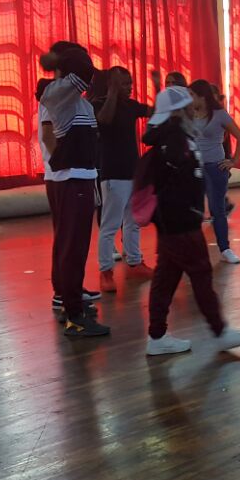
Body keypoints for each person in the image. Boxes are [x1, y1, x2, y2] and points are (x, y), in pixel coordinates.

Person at [142, 86, 240, 356]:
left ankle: (157, 336)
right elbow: (175, 186)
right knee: (201, 274)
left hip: (177, 222)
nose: (193, 110)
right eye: (188, 107)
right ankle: (219, 331)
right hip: (180, 223)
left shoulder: (177, 138)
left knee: (166, 278)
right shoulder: (173, 142)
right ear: (177, 112)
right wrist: (190, 214)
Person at [39, 41, 109, 337]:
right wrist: (61, 58)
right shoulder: (57, 93)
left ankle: (72, 303)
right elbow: (82, 67)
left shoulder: (77, 101)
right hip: (71, 180)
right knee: (73, 248)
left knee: (72, 246)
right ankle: (75, 316)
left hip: (80, 178)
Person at [36, 78, 101, 316]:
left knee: (70, 240)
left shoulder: (80, 104)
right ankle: (67, 298)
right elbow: (48, 136)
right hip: (66, 177)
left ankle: (68, 290)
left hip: (75, 175)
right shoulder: (54, 102)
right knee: (71, 241)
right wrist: (63, 163)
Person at [93, 66, 154, 292]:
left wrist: (159, 87)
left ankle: (135, 263)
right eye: (124, 84)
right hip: (113, 174)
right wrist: (111, 94)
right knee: (110, 225)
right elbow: (104, 120)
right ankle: (106, 271)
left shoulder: (131, 105)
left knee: (132, 221)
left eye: (130, 84)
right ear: (112, 85)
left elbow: (154, 111)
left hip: (132, 172)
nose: (130, 88)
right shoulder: (98, 104)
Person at [187, 80, 240, 264]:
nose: (189, 99)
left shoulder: (219, 114)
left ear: (202, 96)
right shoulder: (189, 114)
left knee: (218, 209)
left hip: (215, 167)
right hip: (195, 168)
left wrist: (233, 161)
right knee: (194, 211)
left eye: (192, 95)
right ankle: (193, 251)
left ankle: (225, 249)